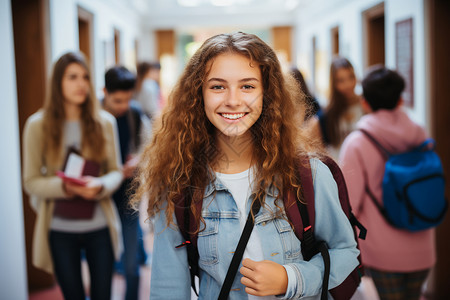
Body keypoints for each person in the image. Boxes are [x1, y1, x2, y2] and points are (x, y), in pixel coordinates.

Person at [132, 32, 360, 299]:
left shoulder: (307, 174)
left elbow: (346, 253)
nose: (233, 100)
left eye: (247, 86)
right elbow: (167, 286)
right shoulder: (178, 184)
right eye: (217, 86)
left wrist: (291, 278)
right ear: (199, 94)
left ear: (267, 93)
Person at [22, 52, 123, 300]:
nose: (81, 84)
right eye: (72, 77)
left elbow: (115, 171)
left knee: (103, 295)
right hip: (59, 230)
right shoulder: (38, 125)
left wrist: (99, 184)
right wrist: (65, 188)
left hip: (100, 226)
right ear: (57, 82)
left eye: (85, 77)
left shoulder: (104, 122)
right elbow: (31, 180)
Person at [339, 66, 435, 300]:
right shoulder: (420, 133)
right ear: (401, 100)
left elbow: (349, 204)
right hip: (423, 245)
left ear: (365, 103)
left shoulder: (357, 142)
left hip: (383, 252)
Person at [102, 66, 151, 300]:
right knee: (103, 262)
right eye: (117, 100)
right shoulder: (94, 117)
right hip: (100, 198)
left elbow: (148, 148)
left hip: (128, 195)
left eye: (128, 99)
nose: (123, 105)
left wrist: (138, 160)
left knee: (131, 264)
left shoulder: (134, 113)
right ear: (105, 92)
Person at [305, 57, 364, 161]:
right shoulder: (326, 115)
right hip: (339, 170)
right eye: (341, 80)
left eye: (351, 77)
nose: (348, 84)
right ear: (334, 83)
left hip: (363, 164)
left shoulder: (365, 105)